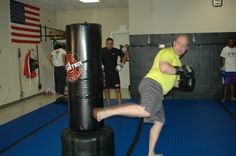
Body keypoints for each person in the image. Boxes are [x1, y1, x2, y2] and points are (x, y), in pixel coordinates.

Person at [94, 35, 192, 156]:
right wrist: (180, 70)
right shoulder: (167, 52)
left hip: (158, 91)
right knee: (146, 111)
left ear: (186, 48)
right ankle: (107, 112)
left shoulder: (178, 62)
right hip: (153, 85)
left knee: (159, 121)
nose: (181, 47)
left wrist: (184, 84)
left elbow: (174, 82)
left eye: (184, 45)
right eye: (179, 44)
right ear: (173, 43)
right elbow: (164, 67)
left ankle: (151, 153)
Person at [101, 38, 128, 106]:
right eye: (108, 43)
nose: (109, 45)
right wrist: (100, 66)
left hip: (114, 73)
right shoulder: (101, 50)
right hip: (105, 73)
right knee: (106, 91)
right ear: (106, 43)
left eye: (111, 44)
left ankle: (120, 106)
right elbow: (96, 58)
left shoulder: (116, 50)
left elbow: (125, 56)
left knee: (117, 90)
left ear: (112, 44)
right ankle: (109, 106)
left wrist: (121, 65)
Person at [220, 38, 236, 102]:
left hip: (234, 70)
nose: (231, 42)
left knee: (232, 84)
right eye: (230, 41)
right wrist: (223, 68)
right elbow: (222, 59)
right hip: (227, 69)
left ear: (234, 42)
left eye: (232, 41)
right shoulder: (225, 49)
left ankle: (232, 97)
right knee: (226, 84)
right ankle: (224, 97)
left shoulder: (235, 49)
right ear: (228, 42)